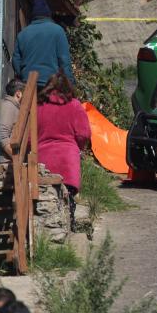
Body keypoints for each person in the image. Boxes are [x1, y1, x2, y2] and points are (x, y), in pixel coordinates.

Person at [37, 71, 91, 230]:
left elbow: (28, 137)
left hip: (43, 160)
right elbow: (84, 134)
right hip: (67, 160)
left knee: (45, 199)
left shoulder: (38, 106)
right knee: (68, 200)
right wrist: (78, 147)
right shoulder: (74, 105)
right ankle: (69, 225)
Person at [13, 0, 76, 87]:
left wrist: (22, 74)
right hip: (50, 84)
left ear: (33, 16)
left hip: (28, 83)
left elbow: (16, 60)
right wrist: (69, 82)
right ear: (48, 14)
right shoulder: (58, 31)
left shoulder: (22, 34)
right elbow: (64, 60)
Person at [0, 79, 26, 160]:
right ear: (18, 94)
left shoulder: (13, 107)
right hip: (7, 163)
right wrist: (18, 159)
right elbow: (3, 137)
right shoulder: (8, 107)